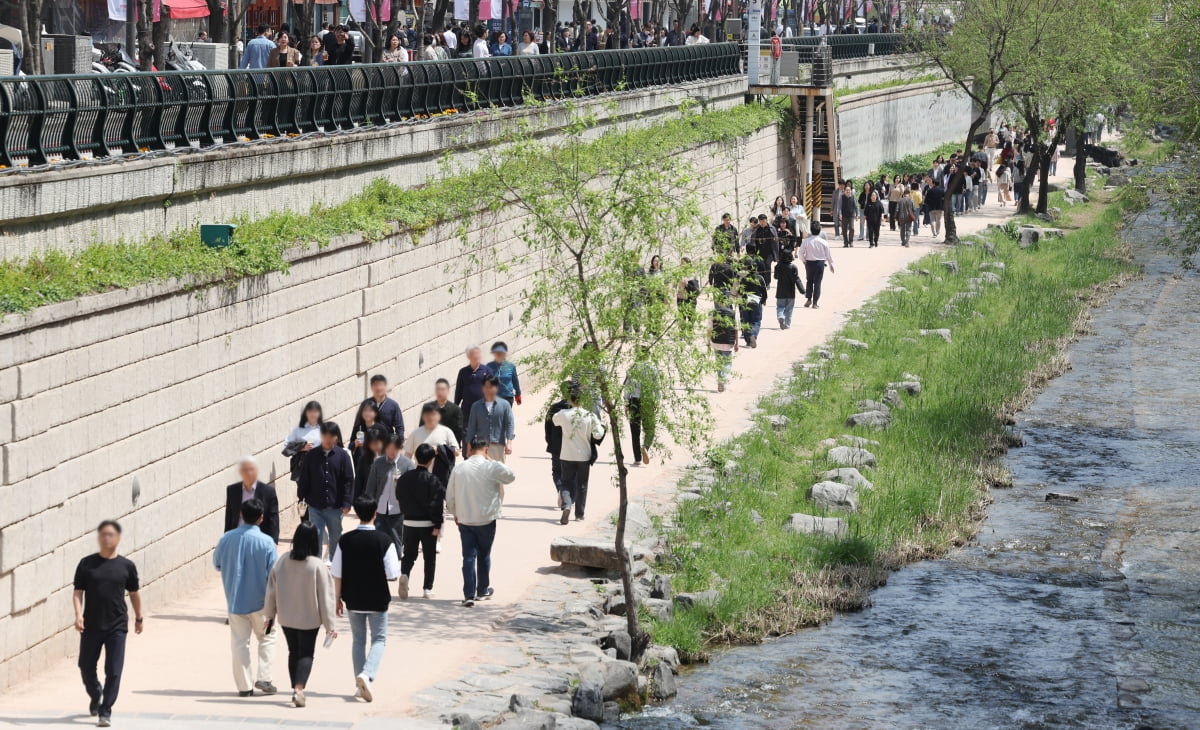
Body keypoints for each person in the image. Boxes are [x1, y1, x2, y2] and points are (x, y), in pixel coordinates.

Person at [73, 520, 142, 728]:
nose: (106, 538)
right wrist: (78, 615)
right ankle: (96, 694)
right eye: (103, 534)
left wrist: (139, 617)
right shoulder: (86, 564)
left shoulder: (127, 566)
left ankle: (106, 711)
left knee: (113, 670)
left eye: (111, 535)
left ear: (118, 539)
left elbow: (134, 593)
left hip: (117, 626)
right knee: (85, 666)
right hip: (91, 625)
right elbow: (78, 592)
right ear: (98, 538)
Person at [332, 497, 399, 703]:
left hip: (352, 597)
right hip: (377, 597)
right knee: (379, 639)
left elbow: (336, 572)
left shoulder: (345, 540)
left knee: (358, 640)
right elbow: (393, 574)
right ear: (375, 514)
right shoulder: (384, 541)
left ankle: (359, 683)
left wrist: (337, 598)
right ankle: (367, 674)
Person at [263, 522, 336, 709]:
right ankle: (299, 689)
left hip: (287, 618)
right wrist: (330, 626)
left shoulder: (282, 561)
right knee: (306, 654)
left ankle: (295, 688)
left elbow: (271, 591)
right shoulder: (317, 566)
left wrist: (269, 616)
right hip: (309, 619)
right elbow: (326, 599)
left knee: (293, 652)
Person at [213, 499, 278, 698]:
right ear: (261, 518)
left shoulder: (226, 539)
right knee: (268, 637)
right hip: (263, 606)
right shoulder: (267, 542)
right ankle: (264, 678)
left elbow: (217, 564)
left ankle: (244, 686)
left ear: (241, 515)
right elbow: (273, 575)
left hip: (235, 602)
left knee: (239, 643)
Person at [446, 439, 515, 606]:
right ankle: (482, 590)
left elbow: (450, 496)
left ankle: (469, 594)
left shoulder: (459, 468)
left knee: (468, 556)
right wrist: (491, 460)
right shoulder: (491, 467)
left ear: (469, 448)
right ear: (486, 450)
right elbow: (510, 476)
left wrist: (455, 513)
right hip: (486, 518)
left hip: (465, 519)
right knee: (484, 555)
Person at [297, 422, 354, 561]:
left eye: (331, 436)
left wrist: (347, 502)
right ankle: (316, 567)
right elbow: (304, 477)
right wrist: (301, 499)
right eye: (325, 436)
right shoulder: (311, 456)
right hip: (315, 505)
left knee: (335, 536)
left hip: (335, 507)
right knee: (315, 536)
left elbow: (348, 480)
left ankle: (335, 566)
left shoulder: (343, 456)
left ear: (336, 437)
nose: (328, 440)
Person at [396, 444, 445, 599]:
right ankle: (427, 588)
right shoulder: (433, 480)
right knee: (429, 557)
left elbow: (399, 497)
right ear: (431, 460)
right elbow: (437, 504)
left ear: (416, 457)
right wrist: (438, 524)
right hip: (428, 524)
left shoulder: (404, 478)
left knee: (409, 554)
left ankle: (405, 574)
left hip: (409, 521)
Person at [553, 385, 606, 523]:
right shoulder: (590, 416)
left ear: (570, 399)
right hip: (584, 455)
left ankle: (567, 505)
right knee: (582, 484)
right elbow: (599, 434)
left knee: (565, 483)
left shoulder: (564, 414)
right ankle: (579, 515)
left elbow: (554, 420)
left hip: (566, 455)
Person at [360, 433, 415, 564]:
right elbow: (371, 487)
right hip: (380, 508)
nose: (391, 451)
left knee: (396, 539)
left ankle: (394, 567)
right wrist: (369, 507)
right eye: (389, 448)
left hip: (398, 510)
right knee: (378, 538)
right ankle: (380, 566)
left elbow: (413, 490)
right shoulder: (378, 463)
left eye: (394, 448)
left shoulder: (407, 465)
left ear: (400, 448)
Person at [225, 457, 280, 544]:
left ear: (256, 471)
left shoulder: (268, 492)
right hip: (237, 539)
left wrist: (273, 542)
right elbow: (229, 517)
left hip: (259, 540)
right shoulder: (232, 490)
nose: (248, 473)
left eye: (251, 469)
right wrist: (226, 538)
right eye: (245, 470)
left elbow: (273, 519)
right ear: (240, 472)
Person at [405, 403, 460, 484]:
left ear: (439, 416)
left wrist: (440, 449)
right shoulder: (415, 433)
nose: (430, 417)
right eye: (427, 415)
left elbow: (457, 452)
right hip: (422, 478)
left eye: (433, 414)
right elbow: (407, 456)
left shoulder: (446, 432)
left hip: (442, 479)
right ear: (423, 416)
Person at [465, 376, 516, 462]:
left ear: (496, 388)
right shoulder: (476, 406)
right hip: (480, 448)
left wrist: (509, 443)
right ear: (482, 388)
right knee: (481, 474)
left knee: (498, 473)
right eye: (486, 387)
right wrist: (469, 447)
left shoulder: (505, 405)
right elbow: (471, 427)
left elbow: (510, 424)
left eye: (491, 387)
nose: (488, 390)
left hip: (498, 446)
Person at [623, 352, 658, 466]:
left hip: (634, 401)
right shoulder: (653, 369)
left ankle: (637, 459)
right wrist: (656, 401)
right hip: (648, 401)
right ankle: (645, 446)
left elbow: (627, 387)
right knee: (650, 429)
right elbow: (656, 387)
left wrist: (627, 403)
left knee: (635, 431)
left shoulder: (632, 368)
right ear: (648, 355)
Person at [544, 384, 572, 501]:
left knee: (556, 471)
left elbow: (547, 427)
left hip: (556, 445)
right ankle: (568, 497)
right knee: (571, 473)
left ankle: (561, 489)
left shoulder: (554, 408)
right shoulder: (577, 411)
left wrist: (549, 441)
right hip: (572, 447)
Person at [354, 374, 404, 440]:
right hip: (368, 443)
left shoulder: (393, 405)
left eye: (381, 385)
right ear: (371, 387)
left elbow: (399, 427)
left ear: (385, 387)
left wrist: (399, 443)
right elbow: (358, 425)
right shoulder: (365, 404)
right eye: (376, 385)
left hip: (387, 443)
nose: (378, 388)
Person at [800, 222, 835, 309]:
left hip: (809, 263)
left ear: (811, 230)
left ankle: (808, 299)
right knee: (817, 283)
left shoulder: (806, 241)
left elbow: (801, 253)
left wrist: (804, 261)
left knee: (809, 281)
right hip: (820, 264)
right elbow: (828, 255)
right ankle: (815, 303)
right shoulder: (823, 242)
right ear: (820, 231)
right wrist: (831, 265)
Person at [455, 345, 493, 418]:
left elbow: (492, 390)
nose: (477, 356)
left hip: (483, 409)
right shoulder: (463, 372)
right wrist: (455, 407)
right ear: (468, 356)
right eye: (474, 354)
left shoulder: (487, 371)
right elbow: (458, 391)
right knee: (466, 429)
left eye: (478, 354)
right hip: (467, 410)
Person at [353, 427, 388, 505]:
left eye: (377, 443)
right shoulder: (364, 459)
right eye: (371, 444)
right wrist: (356, 500)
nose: (374, 446)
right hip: (369, 501)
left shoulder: (389, 457)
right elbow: (359, 480)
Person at [710, 300, 738, 393]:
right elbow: (736, 329)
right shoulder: (733, 314)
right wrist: (737, 343)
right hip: (728, 342)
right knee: (727, 363)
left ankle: (720, 380)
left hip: (716, 342)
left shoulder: (713, 313)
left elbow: (709, 329)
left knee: (718, 362)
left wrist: (707, 343)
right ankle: (722, 379)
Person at [774, 249, 803, 329]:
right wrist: (802, 290)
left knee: (780, 306)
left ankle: (780, 316)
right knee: (789, 309)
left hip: (780, 291)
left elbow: (776, 277)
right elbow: (797, 279)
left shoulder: (778, 266)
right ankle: (787, 325)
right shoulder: (793, 267)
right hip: (791, 291)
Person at [434, 377, 465, 446]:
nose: (440, 392)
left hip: (449, 447)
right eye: (438, 390)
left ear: (448, 391)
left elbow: (459, 428)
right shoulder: (429, 409)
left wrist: (455, 444)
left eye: (442, 390)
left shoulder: (456, 410)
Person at [837, 182, 858, 248]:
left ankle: (851, 242)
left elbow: (856, 206)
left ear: (851, 191)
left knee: (851, 228)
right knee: (844, 230)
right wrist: (840, 214)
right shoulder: (842, 197)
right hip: (844, 215)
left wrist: (857, 214)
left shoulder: (853, 197)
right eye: (846, 190)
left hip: (851, 215)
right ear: (844, 191)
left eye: (849, 190)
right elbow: (839, 207)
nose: (848, 191)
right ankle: (845, 243)